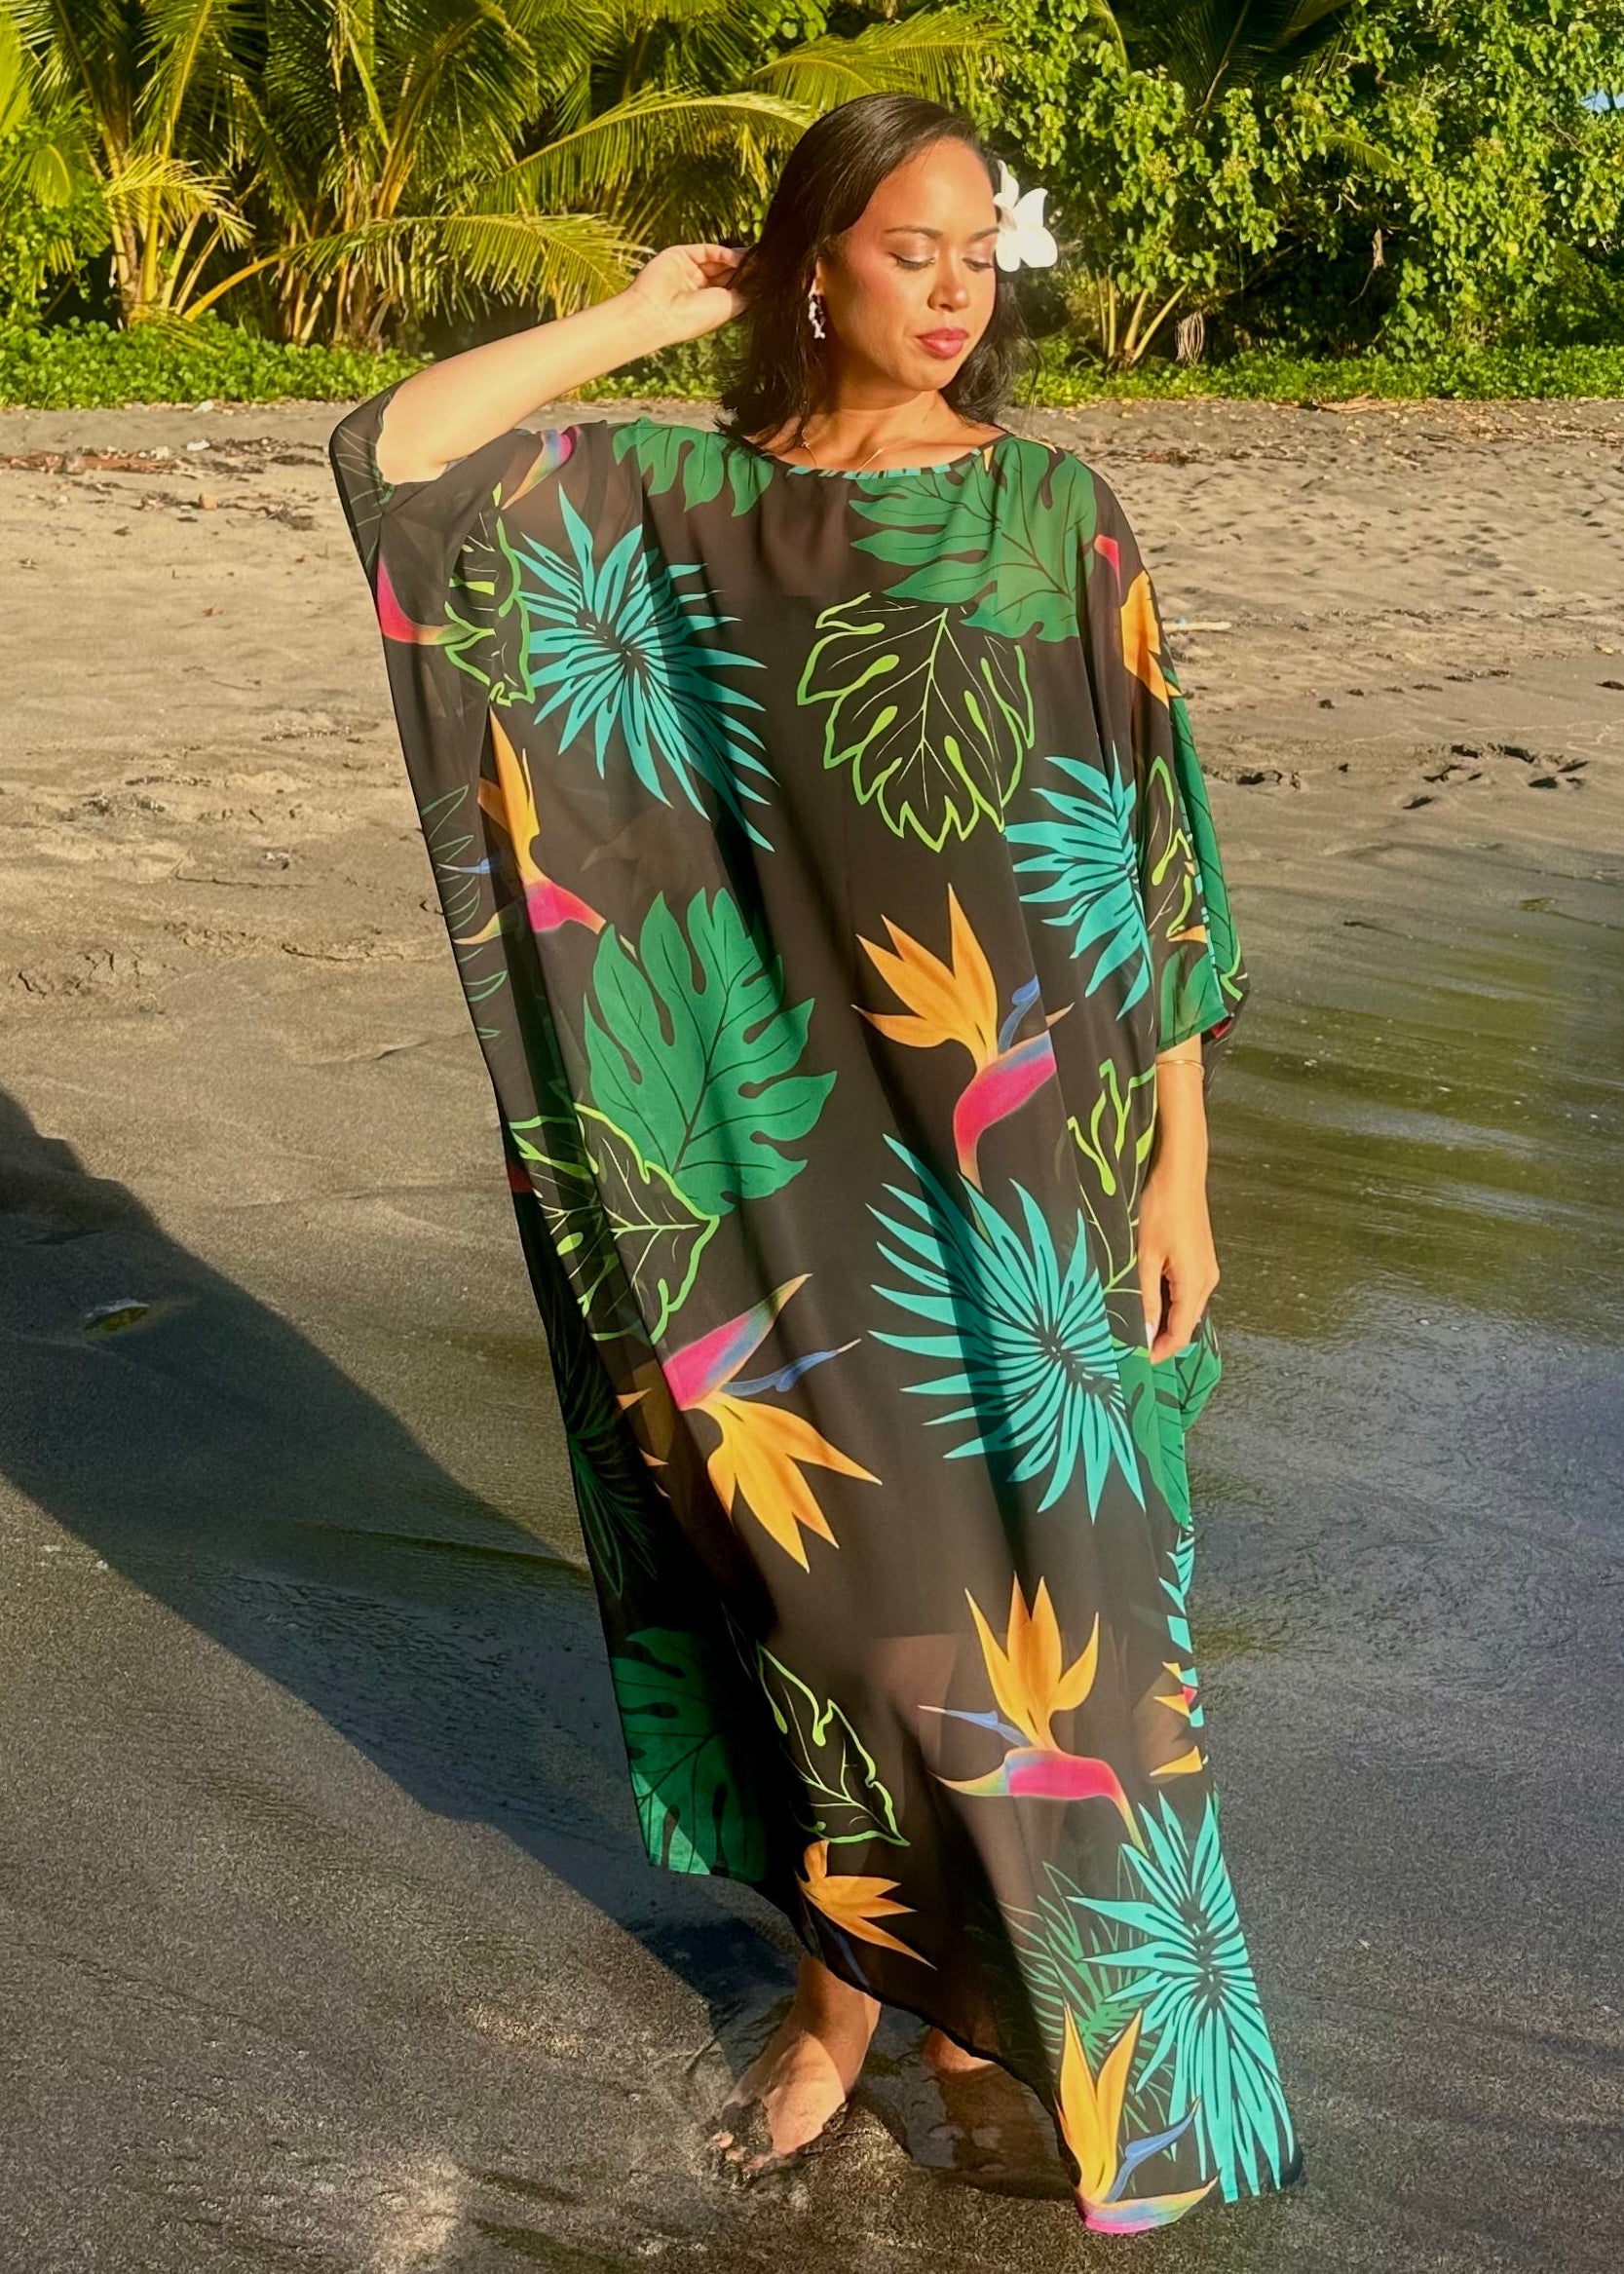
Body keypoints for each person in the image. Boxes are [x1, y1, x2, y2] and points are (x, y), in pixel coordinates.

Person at [329, 91, 1304, 2236]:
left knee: (1070, 1626)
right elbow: (394, 461)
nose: (954, 293)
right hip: (787, 1147)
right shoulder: (679, 503)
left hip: (1046, 1152)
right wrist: (638, 317)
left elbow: (1150, 851)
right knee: (843, 1610)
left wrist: (1183, 1173)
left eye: (977, 253)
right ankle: (849, 2002)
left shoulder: (1055, 512)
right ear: (812, 264)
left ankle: (1046, 2039)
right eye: (904, 250)